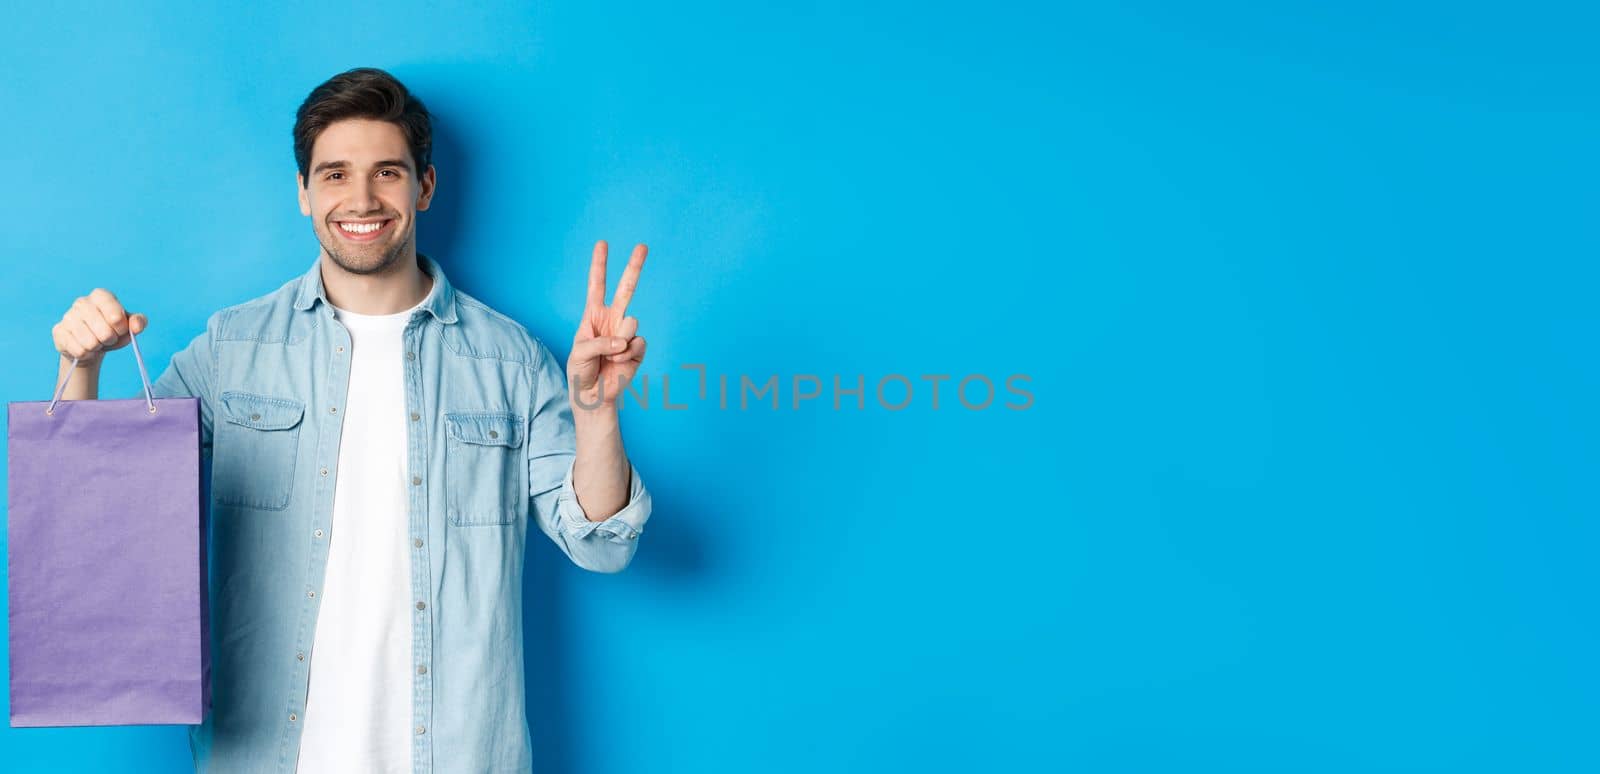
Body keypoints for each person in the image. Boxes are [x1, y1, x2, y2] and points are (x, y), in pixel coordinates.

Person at [47, 66, 653, 773]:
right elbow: (101, 518)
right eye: (334, 174)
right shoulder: (233, 350)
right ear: (303, 192)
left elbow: (603, 545)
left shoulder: (511, 360)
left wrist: (597, 415)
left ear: (424, 187)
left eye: (387, 172)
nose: (361, 198)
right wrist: (80, 366)